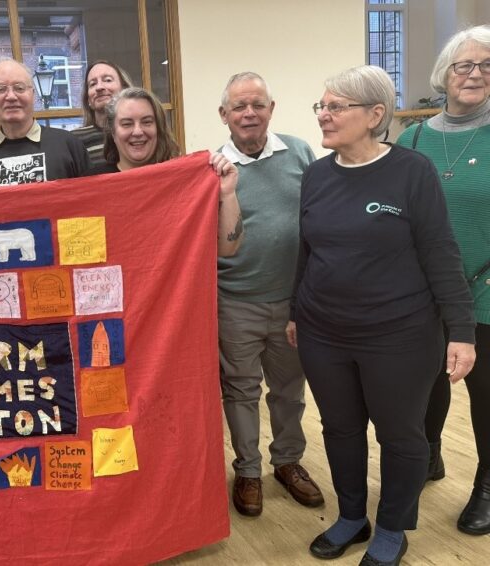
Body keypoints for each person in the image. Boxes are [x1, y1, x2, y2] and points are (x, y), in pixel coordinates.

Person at [287, 65, 476, 566]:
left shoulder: (412, 171)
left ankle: (393, 526)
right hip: (323, 332)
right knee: (340, 428)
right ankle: (353, 515)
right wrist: (294, 313)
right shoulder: (316, 175)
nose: (324, 116)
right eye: (320, 106)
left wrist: (460, 330)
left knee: (401, 434)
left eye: (335, 107)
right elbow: (306, 251)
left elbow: (441, 252)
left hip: (401, 335)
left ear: (375, 115)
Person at [215, 72, 323, 517]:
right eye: (239, 106)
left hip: (293, 301)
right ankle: (248, 470)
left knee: (289, 390)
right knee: (240, 391)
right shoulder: (210, 167)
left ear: (271, 109)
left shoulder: (299, 152)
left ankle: (288, 462)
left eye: (257, 104)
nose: (249, 113)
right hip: (234, 301)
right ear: (224, 115)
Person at [397, 24, 490, 536]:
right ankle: (429, 456)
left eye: (485, 65)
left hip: (487, 292)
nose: (474, 74)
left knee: (486, 392)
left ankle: (488, 486)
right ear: (445, 75)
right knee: (426, 384)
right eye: (464, 65)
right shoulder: (413, 137)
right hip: (423, 294)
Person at [86, 87, 242, 257]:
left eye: (147, 122)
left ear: (158, 129)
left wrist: (227, 194)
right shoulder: (93, 185)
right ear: (113, 133)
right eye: (127, 124)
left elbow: (228, 249)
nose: (138, 131)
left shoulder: (184, 183)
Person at [0, 59, 89, 184]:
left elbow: (91, 197)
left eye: (19, 88)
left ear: (33, 94)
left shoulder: (68, 145)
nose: (11, 96)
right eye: (1, 89)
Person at [71, 60, 133, 166]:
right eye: (93, 84)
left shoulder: (140, 133)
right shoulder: (74, 140)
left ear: (125, 89)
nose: (99, 87)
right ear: (88, 100)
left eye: (108, 80)